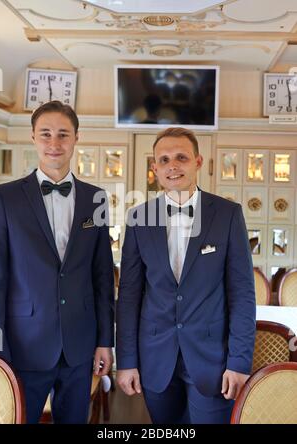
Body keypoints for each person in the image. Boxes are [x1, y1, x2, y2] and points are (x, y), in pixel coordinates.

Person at [116, 127, 256, 424]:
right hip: (155, 358)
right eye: (164, 160)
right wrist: (126, 362)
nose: (172, 166)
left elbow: (242, 294)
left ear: (198, 162)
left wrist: (239, 362)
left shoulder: (228, 214)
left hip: (213, 361)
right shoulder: (138, 218)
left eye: (181, 157)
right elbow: (128, 297)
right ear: (154, 168)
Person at [0, 101, 115, 424]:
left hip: (80, 347)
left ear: (76, 138)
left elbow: (103, 276)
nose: (54, 143)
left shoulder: (96, 198)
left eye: (63, 134)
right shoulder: (4, 198)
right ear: (33, 137)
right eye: (46, 134)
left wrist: (106, 340)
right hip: (23, 345)